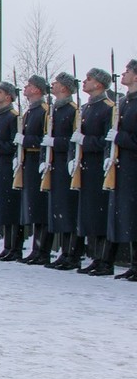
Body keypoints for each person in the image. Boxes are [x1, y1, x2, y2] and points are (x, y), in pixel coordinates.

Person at [75, 68, 115, 275]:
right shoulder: (88, 108)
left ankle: (104, 259)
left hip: (100, 166)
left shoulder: (108, 108)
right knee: (90, 213)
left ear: (99, 84)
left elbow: (107, 140)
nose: (84, 81)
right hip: (87, 166)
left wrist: (86, 142)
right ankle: (95, 257)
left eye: (89, 79)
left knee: (100, 213)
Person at [43, 73, 82, 270]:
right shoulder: (55, 110)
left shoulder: (73, 110)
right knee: (59, 209)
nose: (53, 85)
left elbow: (74, 139)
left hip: (67, 164)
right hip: (55, 164)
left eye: (56, 83)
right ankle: (64, 252)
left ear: (65, 88)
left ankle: (72, 253)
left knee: (68, 210)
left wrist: (56, 143)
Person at [17, 75, 51, 264]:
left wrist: (26, 141)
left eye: (29, 85)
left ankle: (42, 250)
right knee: (33, 207)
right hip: (29, 162)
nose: (25, 87)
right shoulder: (31, 111)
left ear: (37, 89)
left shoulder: (44, 111)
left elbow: (44, 139)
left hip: (39, 160)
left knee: (40, 207)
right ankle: (36, 249)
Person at [0, 81, 23, 261]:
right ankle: (8, 246)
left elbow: (13, 145)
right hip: (0, 165)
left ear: (8, 96)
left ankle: (15, 248)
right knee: (3, 206)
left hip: (9, 165)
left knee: (11, 207)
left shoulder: (12, 116)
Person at [110, 59, 137, 280]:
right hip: (124, 166)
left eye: (127, 71)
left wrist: (120, 137)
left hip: (134, 166)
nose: (123, 74)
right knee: (129, 215)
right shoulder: (126, 103)